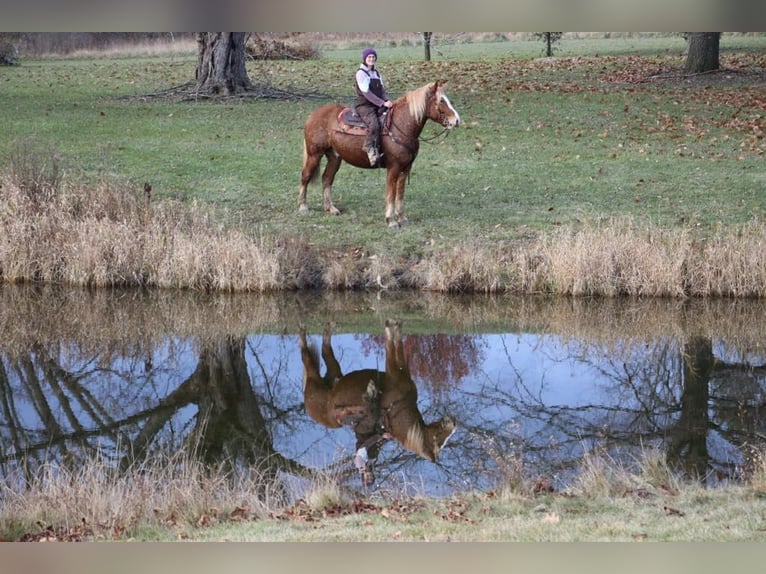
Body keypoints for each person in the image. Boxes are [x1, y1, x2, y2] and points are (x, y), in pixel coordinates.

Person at [354, 47, 393, 166]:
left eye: (373, 57)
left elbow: (381, 90)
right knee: (374, 125)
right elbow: (367, 93)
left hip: (376, 104)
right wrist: (382, 103)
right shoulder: (361, 73)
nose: (371, 59)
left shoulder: (376, 73)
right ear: (364, 59)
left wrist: (387, 100)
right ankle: (369, 148)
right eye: (369, 57)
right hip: (364, 106)